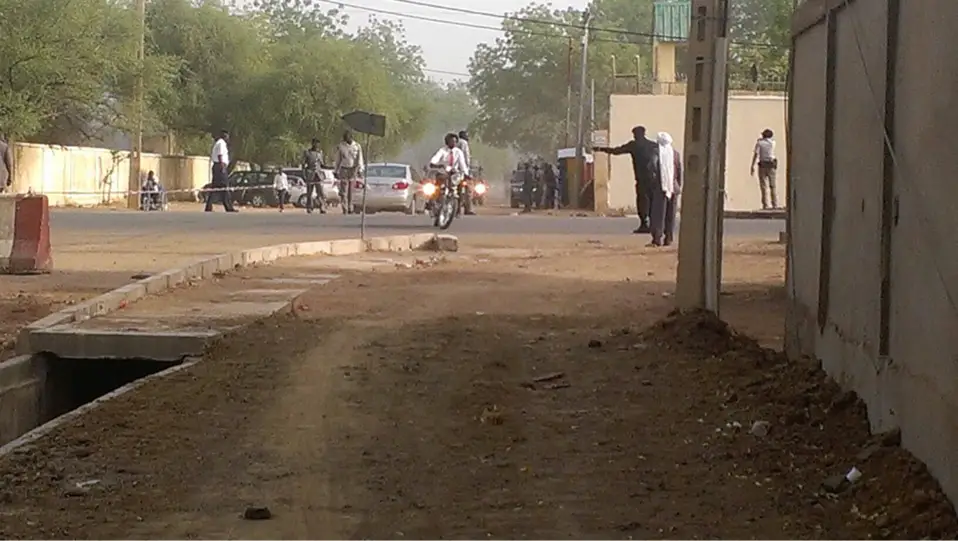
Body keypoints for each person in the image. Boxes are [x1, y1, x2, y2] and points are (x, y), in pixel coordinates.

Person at [594, 125, 658, 233]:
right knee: (652, 201)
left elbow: (616, 151)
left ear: (636, 134)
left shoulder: (634, 145)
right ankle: (653, 224)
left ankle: (644, 224)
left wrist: (601, 149)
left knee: (642, 202)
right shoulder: (653, 145)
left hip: (641, 179)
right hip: (653, 179)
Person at [649, 132, 683, 247]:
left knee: (659, 213)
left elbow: (652, 166)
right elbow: (679, 171)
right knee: (671, 214)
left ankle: (657, 238)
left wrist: (653, 181)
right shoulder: (675, 154)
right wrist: (678, 185)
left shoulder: (656, 152)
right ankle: (669, 238)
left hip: (661, 187)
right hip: (674, 187)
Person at [205, 129, 237, 212]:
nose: (228, 138)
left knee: (215, 188)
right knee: (225, 187)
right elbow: (220, 156)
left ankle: (209, 207)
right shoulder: (221, 144)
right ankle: (229, 208)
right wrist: (223, 168)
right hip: (220, 167)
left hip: (217, 167)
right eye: (227, 136)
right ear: (224, 136)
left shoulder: (219, 143)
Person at [333, 130, 364, 214]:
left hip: (353, 169)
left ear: (351, 137)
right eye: (344, 138)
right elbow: (338, 159)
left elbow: (360, 158)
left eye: (347, 137)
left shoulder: (357, 146)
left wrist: (360, 170)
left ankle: (350, 207)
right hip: (344, 169)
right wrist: (336, 170)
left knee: (351, 190)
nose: (345, 139)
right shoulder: (341, 146)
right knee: (344, 191)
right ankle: (345, 208)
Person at [750, 128, 778, 209]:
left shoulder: (759, 143)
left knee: (763, 186)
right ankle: (775, 204)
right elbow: (772, 140)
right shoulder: (773, 143)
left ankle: (765, 204)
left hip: (762, 165)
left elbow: (756, 154)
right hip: (771, 165)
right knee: (773, 186)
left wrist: (752, 165)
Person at [302, 138, 327, 214]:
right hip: (310, 174)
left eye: (318, 144)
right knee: (309, 192)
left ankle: (322, 206)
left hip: (318, 174)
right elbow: (303, 164)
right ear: (312, 144)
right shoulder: (307, 152)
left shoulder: (320, 153)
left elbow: (322, 164)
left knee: (320, 192)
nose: (316, 145)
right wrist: (304, 174)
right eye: (315, 143)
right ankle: (309, 207)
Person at [456, 130, 475, 215]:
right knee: (469, 190)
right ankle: (468, 209)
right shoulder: (464, 143)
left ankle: (457, 209)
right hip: (462, 170)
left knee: (457, 190)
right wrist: (467, 170)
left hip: (454, 170)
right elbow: (466, 157)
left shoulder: (455, 143)